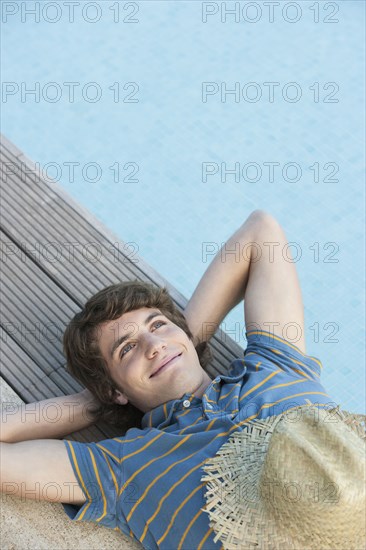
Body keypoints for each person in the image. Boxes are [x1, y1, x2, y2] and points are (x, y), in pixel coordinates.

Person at [1, 209, 362, 549]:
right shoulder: (125, 468)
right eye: (127, 349)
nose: (154, 345)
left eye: (158, 325)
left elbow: (261, 231)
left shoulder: (274, 365)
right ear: (114, 389)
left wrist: (186, 339)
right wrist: (91, 402)